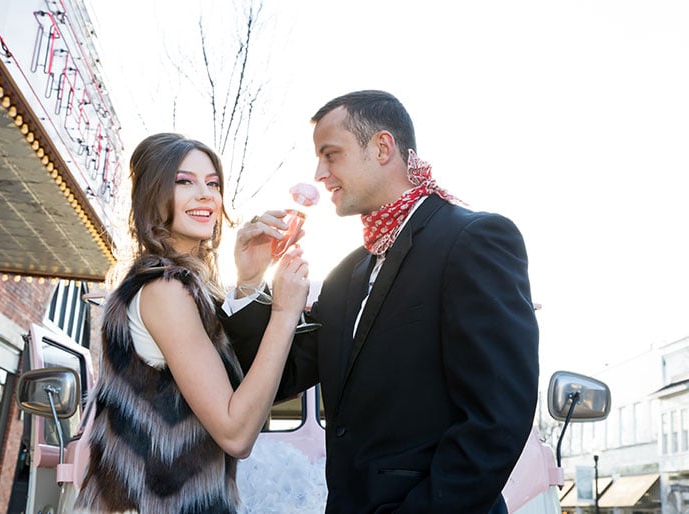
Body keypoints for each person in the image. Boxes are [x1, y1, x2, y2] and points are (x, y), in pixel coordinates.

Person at [222, 90, 540, 513]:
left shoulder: (473, 241)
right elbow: (279, 376)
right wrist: (249, 282)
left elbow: (497, 420)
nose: (320, 173)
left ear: (383, 147)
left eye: (330, 154)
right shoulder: (346, 273)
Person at [74, 133, 310, 513]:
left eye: (213, 183)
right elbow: (236, 433)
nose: (206, 195)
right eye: (184, 181)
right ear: (153, 195)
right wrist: (283, 313)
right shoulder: (165, 290)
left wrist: (250, 278)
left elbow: (241, 389)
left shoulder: (185, 288)